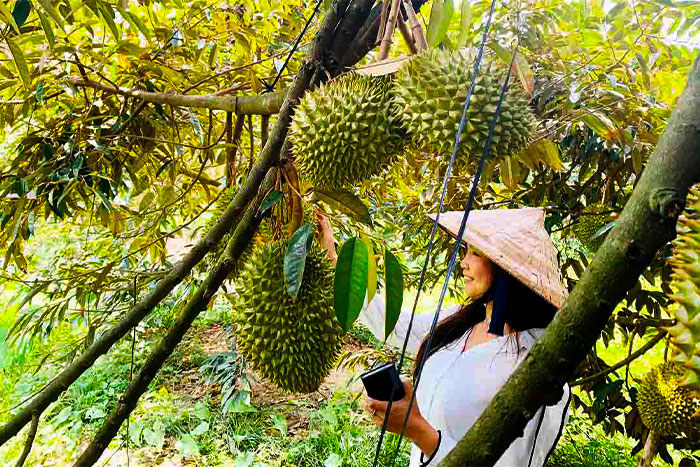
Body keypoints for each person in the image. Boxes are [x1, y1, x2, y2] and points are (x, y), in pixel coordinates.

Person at [317, 207, 571, 466]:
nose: (463, 262)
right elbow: (397, 326)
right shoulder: (464, 320)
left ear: (506, 268)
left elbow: (511, 463)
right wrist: (335, 261)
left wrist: (417, 429)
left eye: (476, 253)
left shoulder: (534, 363)